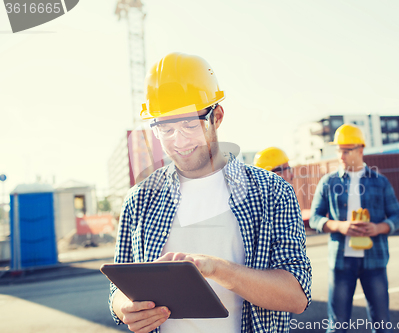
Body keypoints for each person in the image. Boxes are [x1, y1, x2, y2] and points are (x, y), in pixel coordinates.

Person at [108, 52, 312, 333]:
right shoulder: (140, 199)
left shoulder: (272, 192)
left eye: (190, 125)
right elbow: (119, 290)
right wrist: (125, 309)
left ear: (216, 116)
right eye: (166, 129)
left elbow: (296, 296)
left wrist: (216, 269)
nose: (179, 141)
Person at [309, 124, 399, 333]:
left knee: (382, 324)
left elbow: (398, 217)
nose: (341, 155)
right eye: (339, 150)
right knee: (337, 326)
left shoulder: (380, 182)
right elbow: (315, 218)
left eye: (346, 150)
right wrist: (340, 226)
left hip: (375, 261)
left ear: (360, 150)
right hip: (342, 263)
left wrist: (378, 228)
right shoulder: (328, 182)